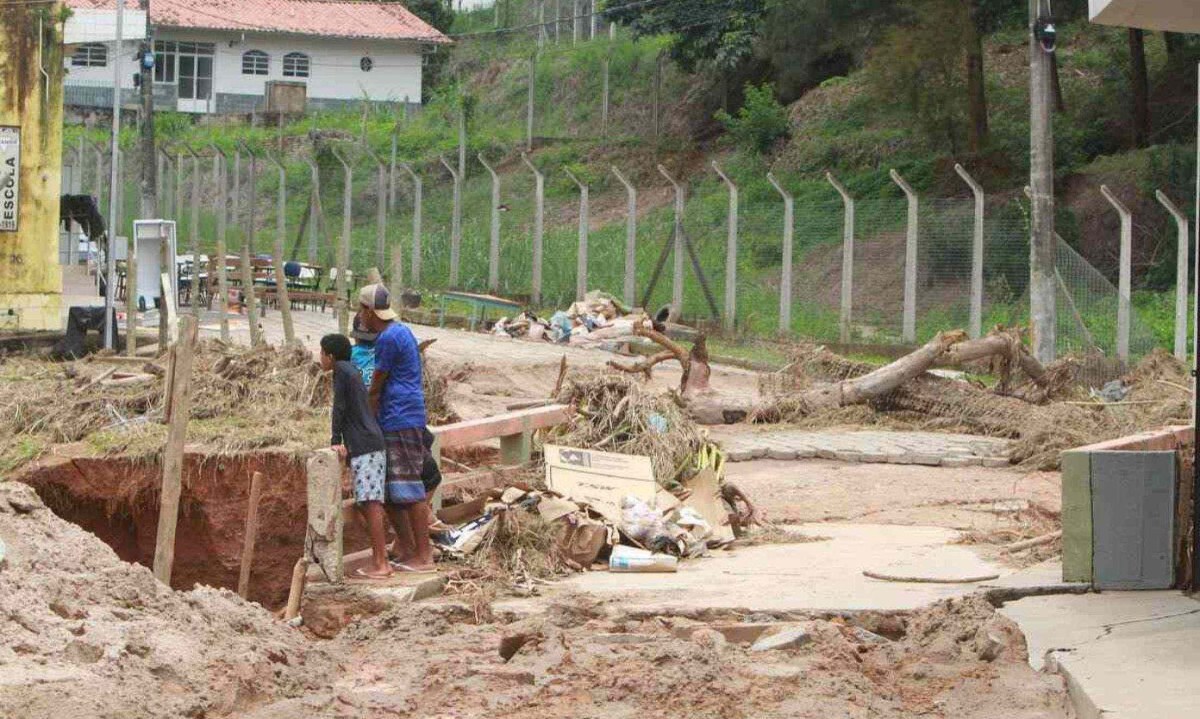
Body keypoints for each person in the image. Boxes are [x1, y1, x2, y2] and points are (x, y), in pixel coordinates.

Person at [358, 283, 436, 573]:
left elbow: (376, 386)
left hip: (399, 416)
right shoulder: (401, 331)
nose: (361, 317)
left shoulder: (387, 340)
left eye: (361, 310)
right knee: (395, 489)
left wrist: (366, 421)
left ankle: (425, 557)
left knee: (410, 488)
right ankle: (409, 548)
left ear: (368, 311)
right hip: (406, 413)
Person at [319, 333, 391, 579]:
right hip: (369, 443)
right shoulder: (351, 370)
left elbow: (339, 407)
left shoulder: (341, 371)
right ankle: (379, 558)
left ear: (330, 356)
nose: (320, 359)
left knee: (370, 505)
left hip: (366, 446)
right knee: (365, 503)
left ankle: (381, 563)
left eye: (321, 354)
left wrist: (335, 440)